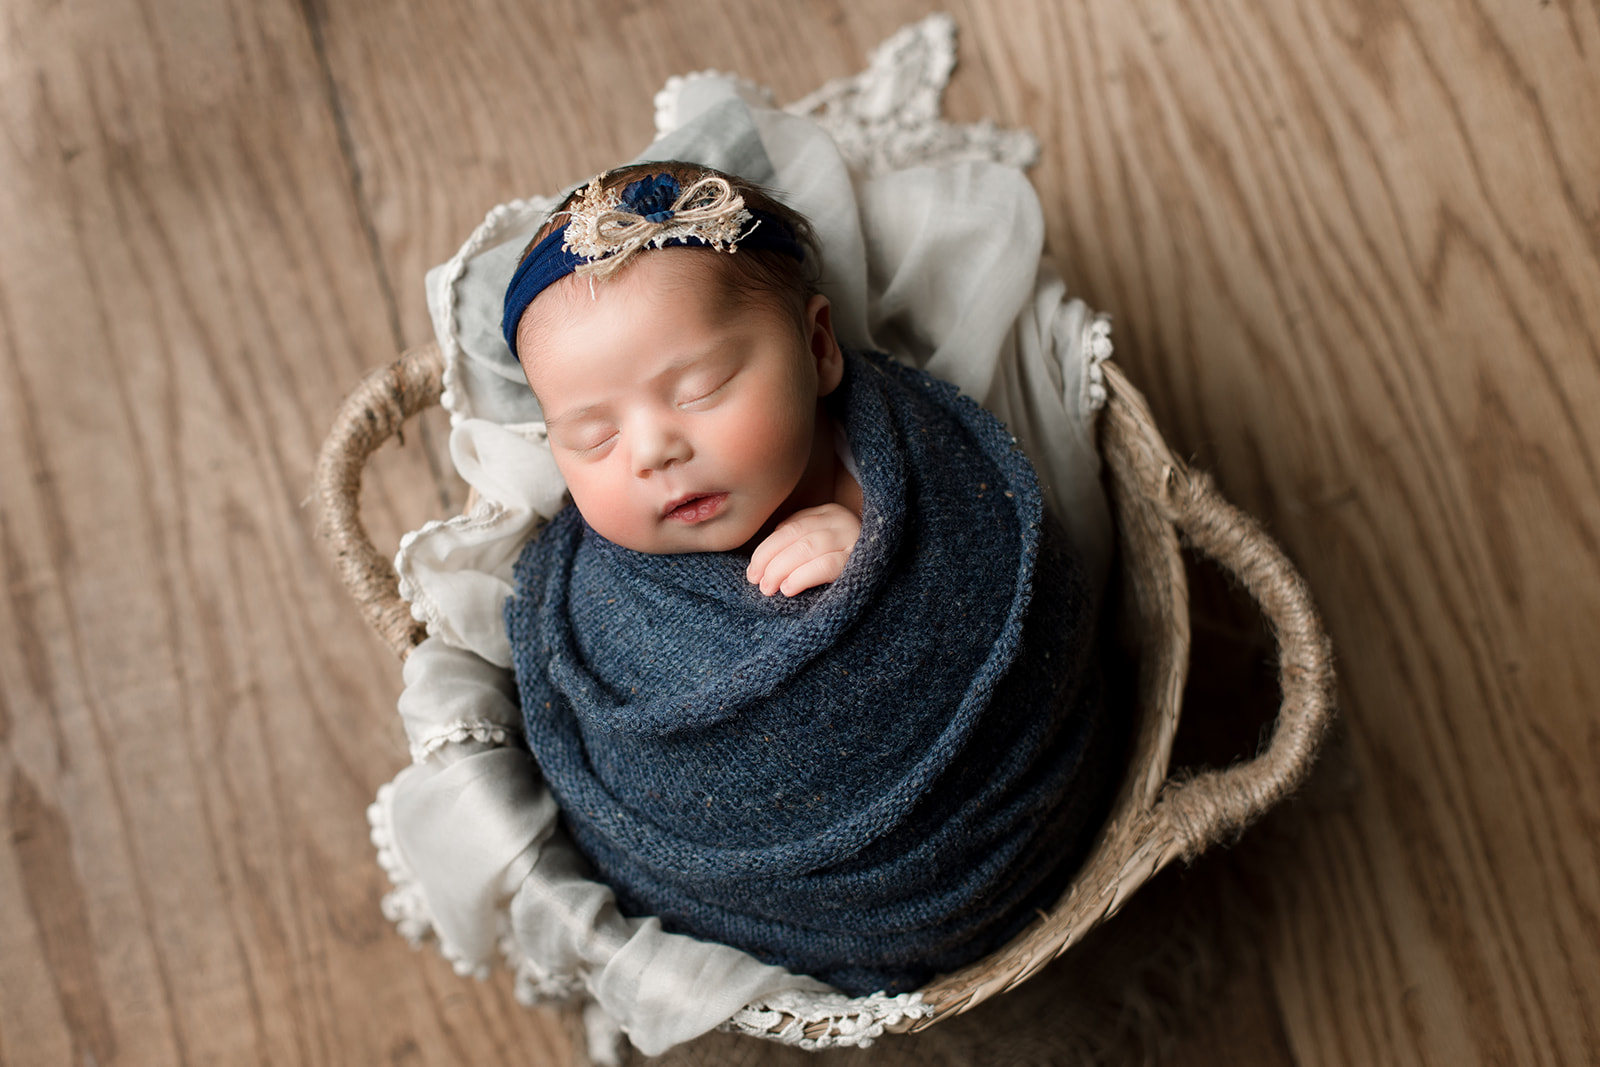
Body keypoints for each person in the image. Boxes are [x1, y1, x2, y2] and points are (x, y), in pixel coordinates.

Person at [499, 161, 1118, 995]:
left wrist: (875, 557)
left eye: (703, 387)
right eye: (592, 437)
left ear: (819, 347)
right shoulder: (599, 602)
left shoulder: (905, 454)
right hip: (765, 903)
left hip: (990, 836)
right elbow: (603, 754)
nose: (651, 452)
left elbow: (1000, 575)